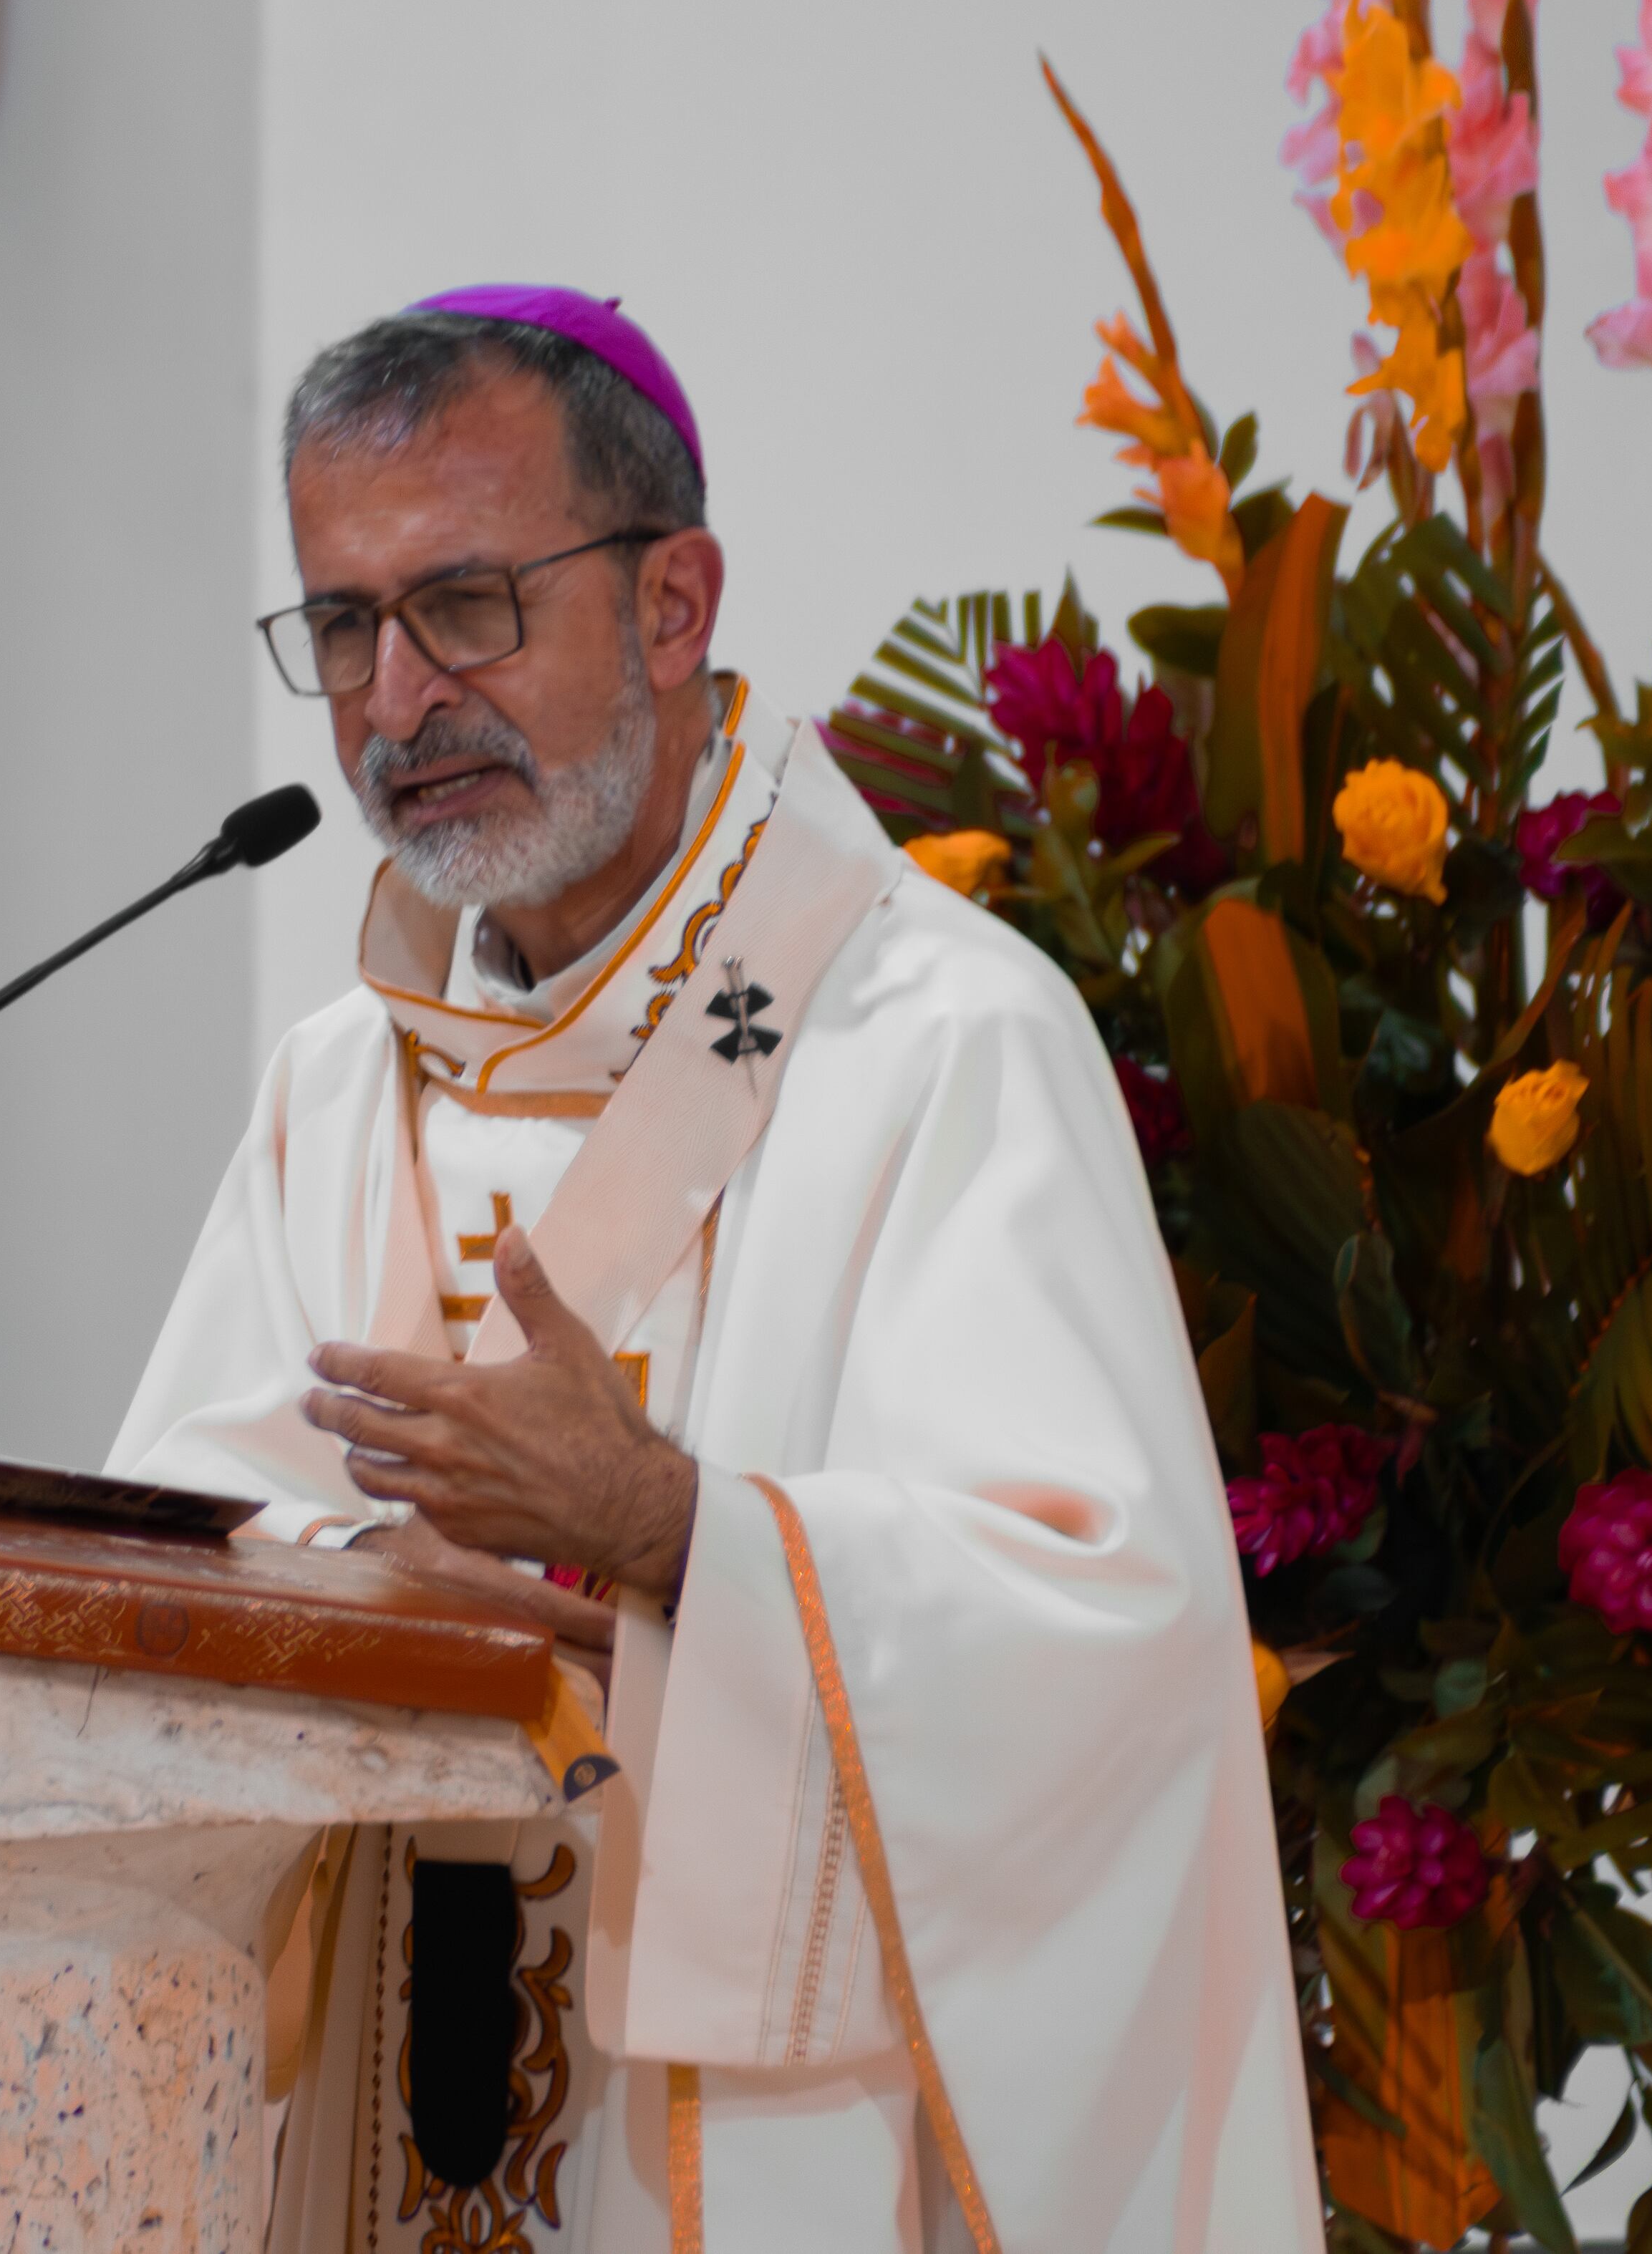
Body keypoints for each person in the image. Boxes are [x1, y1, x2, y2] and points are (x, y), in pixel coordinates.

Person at [108, 286, 1319, 2253]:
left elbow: (1113, 1626)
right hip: (391, 2124)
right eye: (344, 626)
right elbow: (186, 1528)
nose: (398, 700)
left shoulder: (937, 1041)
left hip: (773, 2155)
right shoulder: (338, 1090)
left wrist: (675, 1528)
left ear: (673, 606)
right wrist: (358, 1586)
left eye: (469, 603)